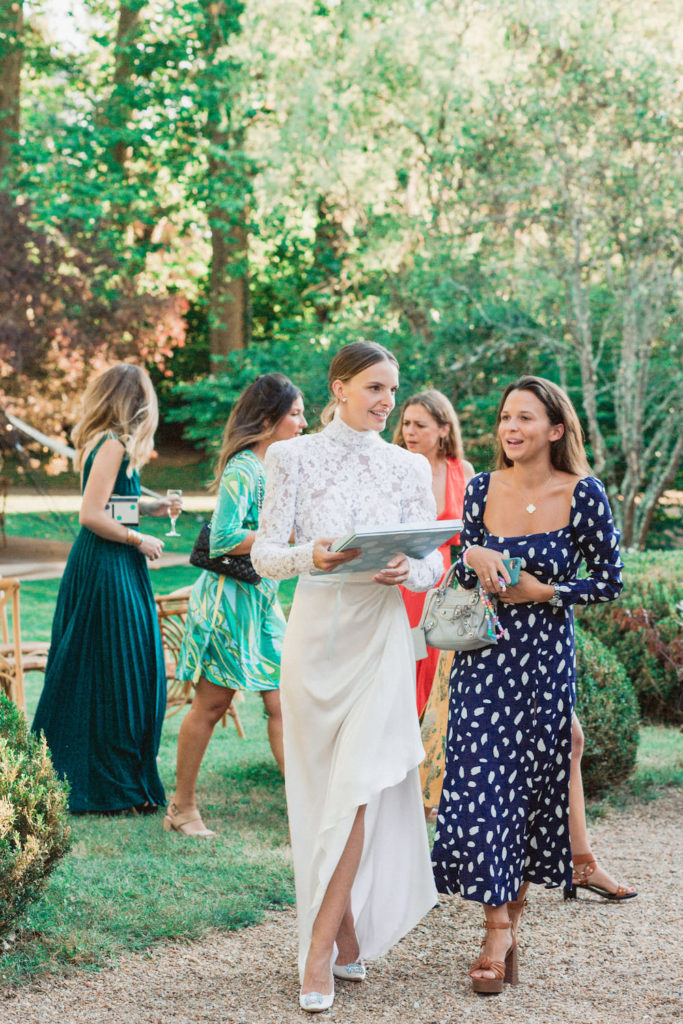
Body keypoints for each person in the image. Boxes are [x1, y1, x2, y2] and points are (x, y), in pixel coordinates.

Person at [251, 341, 444, 1013]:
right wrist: (313, 554)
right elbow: (265, 555)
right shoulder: (291, 457)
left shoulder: (408, 466)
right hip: (315, 637)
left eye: (392, 388)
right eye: (374, 387)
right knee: (318, 794)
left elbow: (432, 562)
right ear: (338, 388)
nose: (387, 401)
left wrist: (409, 569)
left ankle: (317, 949)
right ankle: (347, 932)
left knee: (358, 786)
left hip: (380, 638)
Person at [431, 375, 624, 994]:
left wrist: (549, 591)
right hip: (484, 660)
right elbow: (463, 564)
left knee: (531, 791)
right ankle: (496, 931)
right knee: (482, 786)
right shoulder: (482, 488)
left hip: (544, 661)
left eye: (525, 418)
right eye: (506, 418)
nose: (511, 428)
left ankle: (510, 924)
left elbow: (610, 579)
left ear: (556, 429)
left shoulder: (583, 493)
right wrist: (473, 556)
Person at [164, 374, 306, 838]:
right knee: (212, 704)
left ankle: (303, 807)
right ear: (267, 420)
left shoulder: (281, 468)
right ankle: (182, 807)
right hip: (227, 603)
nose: (303, 423)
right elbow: (222, 538)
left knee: (283, 700)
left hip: (263, 600)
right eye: (296, 414)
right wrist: (279, 537)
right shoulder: (243, 469)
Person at [32, 363, 170, 814]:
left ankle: (111, 780)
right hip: (107, 566)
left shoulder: (106, 443)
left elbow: (112, 505)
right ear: (135, 401)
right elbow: (91, 514)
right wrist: (138, 539)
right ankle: (110, 786)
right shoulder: (112, 444)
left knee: (107, 669)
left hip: (111, 563)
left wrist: (152, 507)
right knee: (120, 671)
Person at [393, 390, 475, 717]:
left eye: (420, 425)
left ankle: (431, 735)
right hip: (403, 582)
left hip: (447, 586)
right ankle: (404, 728)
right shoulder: (395, 468)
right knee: (406, 661)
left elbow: (474, 536)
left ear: (444, 429)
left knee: (440, 665)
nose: (410, 432)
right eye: (406, 423)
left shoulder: (462, 471)